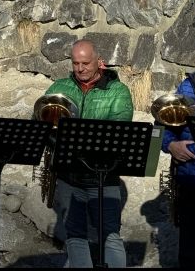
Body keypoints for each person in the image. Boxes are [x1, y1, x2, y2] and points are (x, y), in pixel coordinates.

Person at [39, 38, 133, 268]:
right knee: (75, 236)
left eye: (86, 63)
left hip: (104, 177)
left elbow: (119, 130)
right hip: (69, 176)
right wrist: (52, 133)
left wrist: (75, 137)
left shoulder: (118, 91)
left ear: (99, 62)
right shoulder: (59, 88)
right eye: (75, 63)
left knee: (110, 236)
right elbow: (39, 122)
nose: (80, 69)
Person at [161, 32, 195, 268]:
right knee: (189, 253)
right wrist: (170, 144)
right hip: (191, 179)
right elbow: (163, 123)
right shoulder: (189, 84)